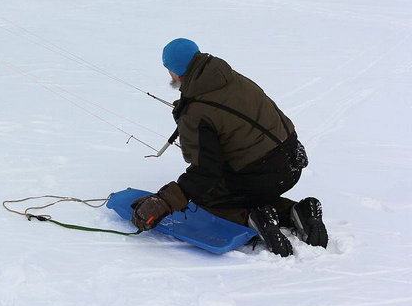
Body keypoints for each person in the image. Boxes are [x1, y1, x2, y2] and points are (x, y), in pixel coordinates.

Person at [130, 38, 328, 256]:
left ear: (175, 72)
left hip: (261, 174)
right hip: (291, 161)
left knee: (206, 196)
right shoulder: (231, 77)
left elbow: (206, 174)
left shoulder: (195, 111)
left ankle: (252, 219)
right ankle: (295, 212)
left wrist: (165, 201)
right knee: (245, 186)